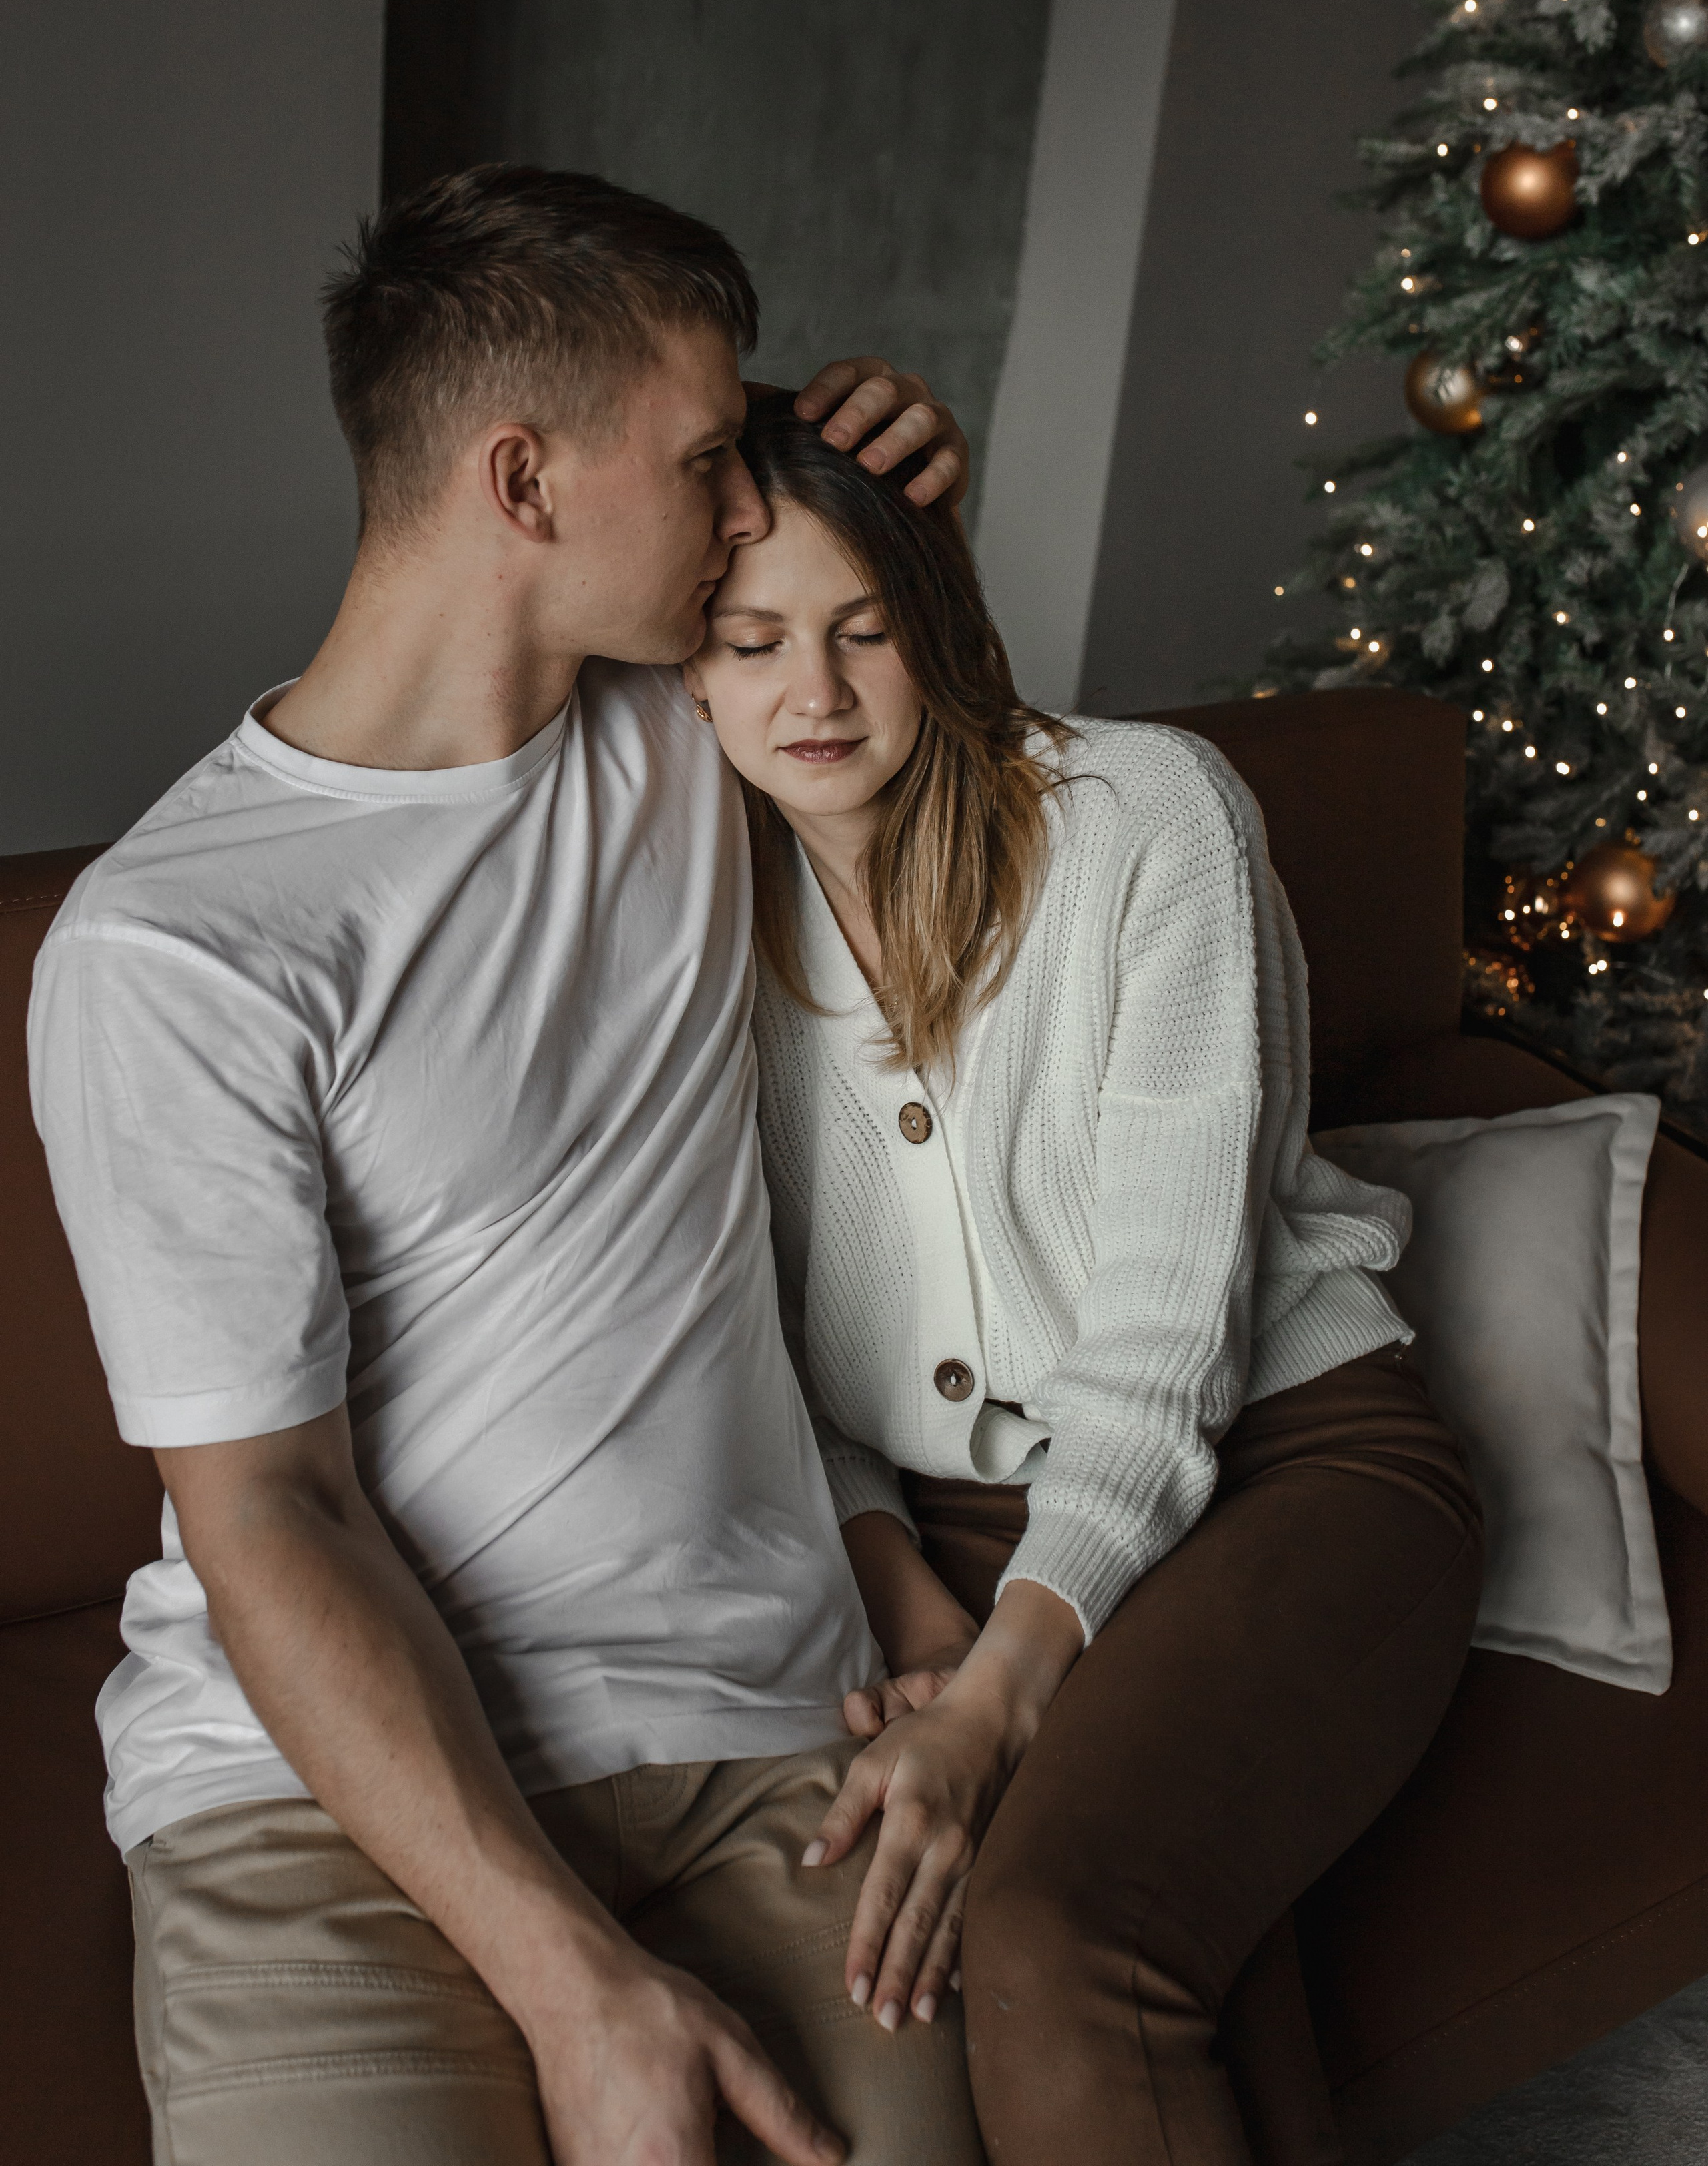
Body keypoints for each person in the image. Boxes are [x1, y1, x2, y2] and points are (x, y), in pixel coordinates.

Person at [27, 168, 989, 2166]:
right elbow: (267, 1512)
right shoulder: (181, 948)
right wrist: (579, 1992)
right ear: (525, 483)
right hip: (325, 1797)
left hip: (761, 1737)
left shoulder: (689, 721)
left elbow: (938, 795)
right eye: (717, 457)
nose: (743, 506)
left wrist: (876, 484)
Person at [683, 392, 1486, 2166]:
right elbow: (739, 1334)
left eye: (862, 630)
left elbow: (1165, 1328)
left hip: (1290, 1461)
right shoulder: (684, 931)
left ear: (940, 621)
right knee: (1040, 1958)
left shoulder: (1142, 818)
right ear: (684, 671)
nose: (812, 696)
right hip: (951, 1535)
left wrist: (995, 1704)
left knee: (1056, 1938)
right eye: (750, 644)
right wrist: (903, 1603)